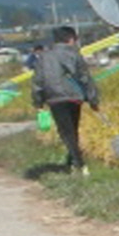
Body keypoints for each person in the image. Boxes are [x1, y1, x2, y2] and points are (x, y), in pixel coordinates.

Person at [32, 26, 100, 173]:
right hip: (75, 97)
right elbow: (85, 77)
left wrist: (38, 101)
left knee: (66, 132)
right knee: (72, 129)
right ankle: (74, 162)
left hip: (54, 97)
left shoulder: (44, 57)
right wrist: (93, 99)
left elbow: (38, 81)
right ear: (71, 39)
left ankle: (79, 164)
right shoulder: (75, 55)